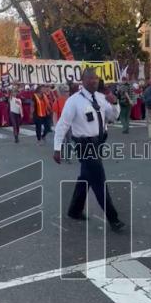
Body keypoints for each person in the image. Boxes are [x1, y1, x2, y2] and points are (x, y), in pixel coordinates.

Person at [53, 68, 124, 232]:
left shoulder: (101, 98)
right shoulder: (74, 101)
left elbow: (113, 117)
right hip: (84, 145)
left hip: (98, 143)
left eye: (96, 78)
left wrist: (114, 103)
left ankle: (74, 210)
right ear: (83, 81)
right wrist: (57, 148)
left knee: (85, 177)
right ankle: (113, 219)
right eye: (90, 78)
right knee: (99, 180)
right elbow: (63, 125)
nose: (94, 81)